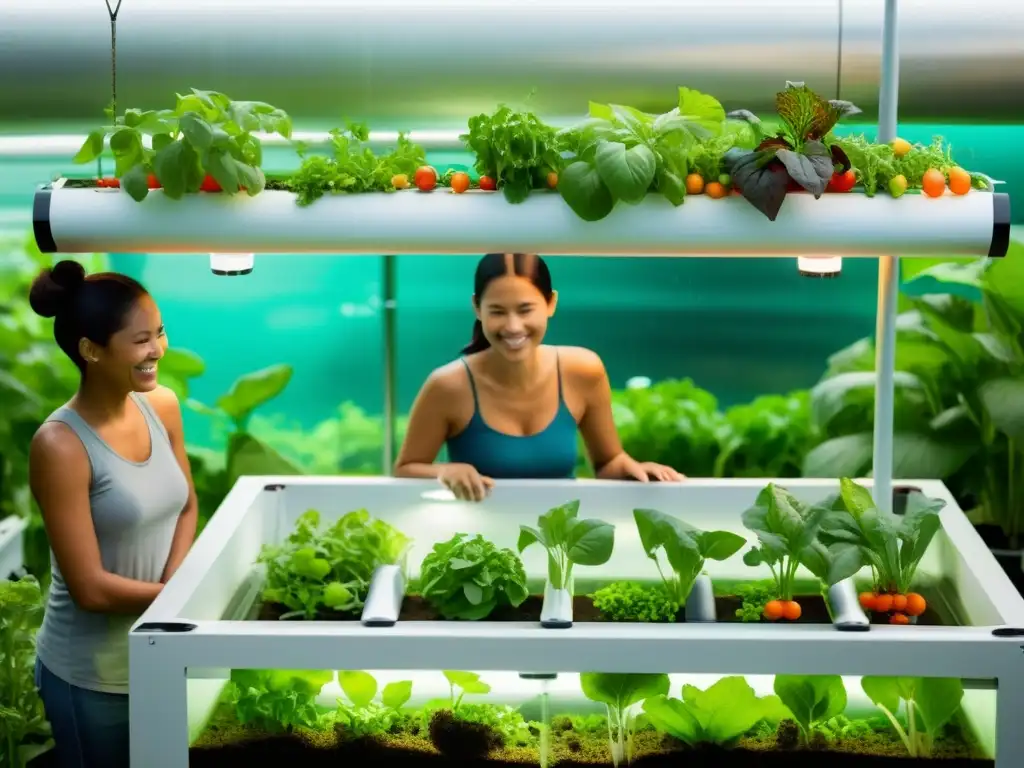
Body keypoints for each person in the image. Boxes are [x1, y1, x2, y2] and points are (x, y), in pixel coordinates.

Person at [26, 260, 198, 768]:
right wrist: (180, 603)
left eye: (160, 333)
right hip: (93, 677)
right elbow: (91, 589)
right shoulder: (60, 445)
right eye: (141, 340)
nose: (158, 351)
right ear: (90, 350)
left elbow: (186, 503)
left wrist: (174, 597)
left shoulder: (161, 404)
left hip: (163, 651)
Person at [394, 252, 684, 500]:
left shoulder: (583, 370)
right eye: (497, 311)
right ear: (477, 308)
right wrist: (445, 471)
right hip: (477, 547)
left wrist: (633, 469)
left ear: (551, 303)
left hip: (561, 545)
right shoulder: (447, 385)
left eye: (525, 310)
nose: (513, 326)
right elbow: (405, 468)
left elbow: (608, 463)